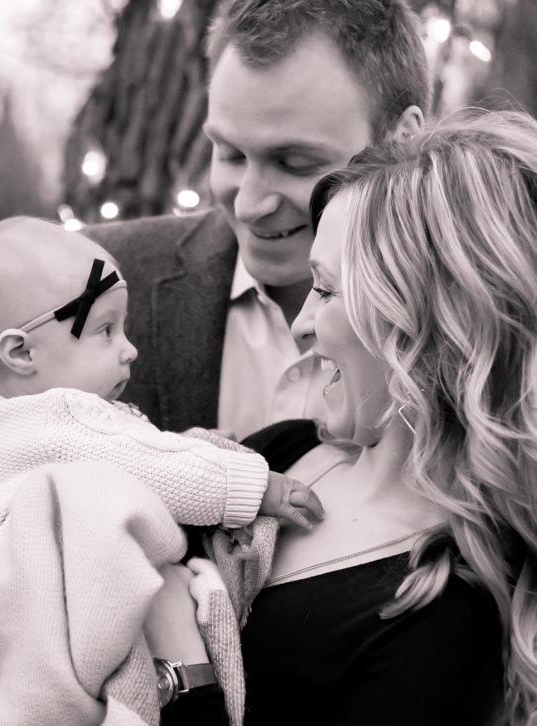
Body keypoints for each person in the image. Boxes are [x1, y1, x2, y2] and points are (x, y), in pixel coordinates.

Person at [0, 0, 430, 698]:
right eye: (229, 153)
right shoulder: (96, 282)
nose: (250, 202)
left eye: (294, 162)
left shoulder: (466, 340)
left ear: (403, 138)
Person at [0, 214, 322, 724]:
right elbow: (152, 466)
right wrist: (255, 486)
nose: (129, 349)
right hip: (60, 624)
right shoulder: (62, 417)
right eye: (105, 330)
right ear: (20, 352)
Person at [229, 109, 537, 724]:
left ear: (426, 323)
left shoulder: (446, 613)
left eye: (325, 290)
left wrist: (183, 670)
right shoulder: (280, 453)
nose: (301, 325)